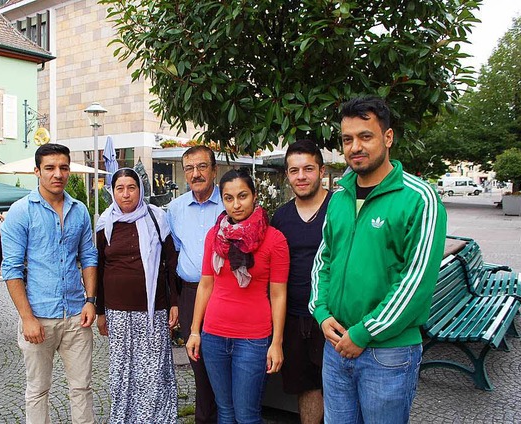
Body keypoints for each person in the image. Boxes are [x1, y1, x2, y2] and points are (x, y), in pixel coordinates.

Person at [309, 96, 447, 423]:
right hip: (336, 345)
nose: (355, 146)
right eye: (347, 139)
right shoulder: (340, 197)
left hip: (388, 354)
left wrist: (363, 333)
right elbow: (323, 260)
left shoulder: (419, 198)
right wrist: (322, 312)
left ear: (387, 137)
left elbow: (415, 283)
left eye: (365, 136)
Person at [1, 143, 98, 424]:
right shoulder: (21, 212)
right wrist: (27, 318)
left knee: (82, 388)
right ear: (37, 171)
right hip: (39, 317)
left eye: (64, 167)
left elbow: (88, 256)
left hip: (76, 317)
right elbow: (11, 269)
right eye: (50, 168)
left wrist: (90, 301)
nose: (58, 174)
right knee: (38, 390)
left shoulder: (79, 211)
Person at [186, 169, 289, 423]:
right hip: (213, 336)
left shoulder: (274, 239)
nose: (236, 204)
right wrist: (195, 331)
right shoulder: (215, 235)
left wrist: (276, 342)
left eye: (242, 196)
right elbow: (206, 285)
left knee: (247, 415)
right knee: (225, 411)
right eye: (229, 198)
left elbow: (278, 294)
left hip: (253, 339)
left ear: (254, 196)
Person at [95, 168, 179, 424]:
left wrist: (174, 302)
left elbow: (170, 264)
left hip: (153, 310)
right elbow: (97, 267)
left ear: (140, 189)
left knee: (152, 370)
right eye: (119, 188)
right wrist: (99, 311)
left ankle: (156, 419)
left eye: (131, 187)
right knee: (123, 371)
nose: (126, 194)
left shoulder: (157, 218)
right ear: (113, 192)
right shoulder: (104, 223)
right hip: (117, 312)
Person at [270, 139, 331, 424]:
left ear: (321, 171)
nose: (301, 176)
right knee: (305, 385)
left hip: (333, 315)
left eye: (308, 168)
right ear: (287, 176)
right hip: (294, 316)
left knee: (337, 384)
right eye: (294, 171)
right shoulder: (281, 217)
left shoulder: (340, 208)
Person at [167, 145, 225, 423]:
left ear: (214, 170)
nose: (196, 173)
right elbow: (175, 253)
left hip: (228, 295)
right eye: (189, 168)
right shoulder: (175, 209)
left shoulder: (230, 203)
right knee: (198, 365)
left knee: (227, 364)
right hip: (191, 294)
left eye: (202, 167)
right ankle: (205, 418)